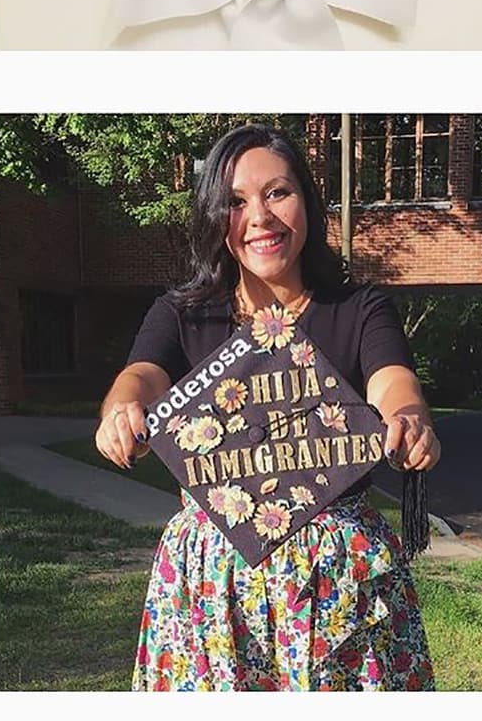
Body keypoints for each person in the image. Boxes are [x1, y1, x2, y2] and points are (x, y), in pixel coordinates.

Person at [95, 124, 439, 691]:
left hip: (338, 581)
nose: (259, 216)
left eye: (278, 192)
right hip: (212, 584)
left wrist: (409, 418)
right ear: (214, 216)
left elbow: (392, 382)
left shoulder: (359, 308)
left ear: (306, 200)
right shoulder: (183, 313)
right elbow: (141, 376)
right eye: (235, 201)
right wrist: (123, 408)